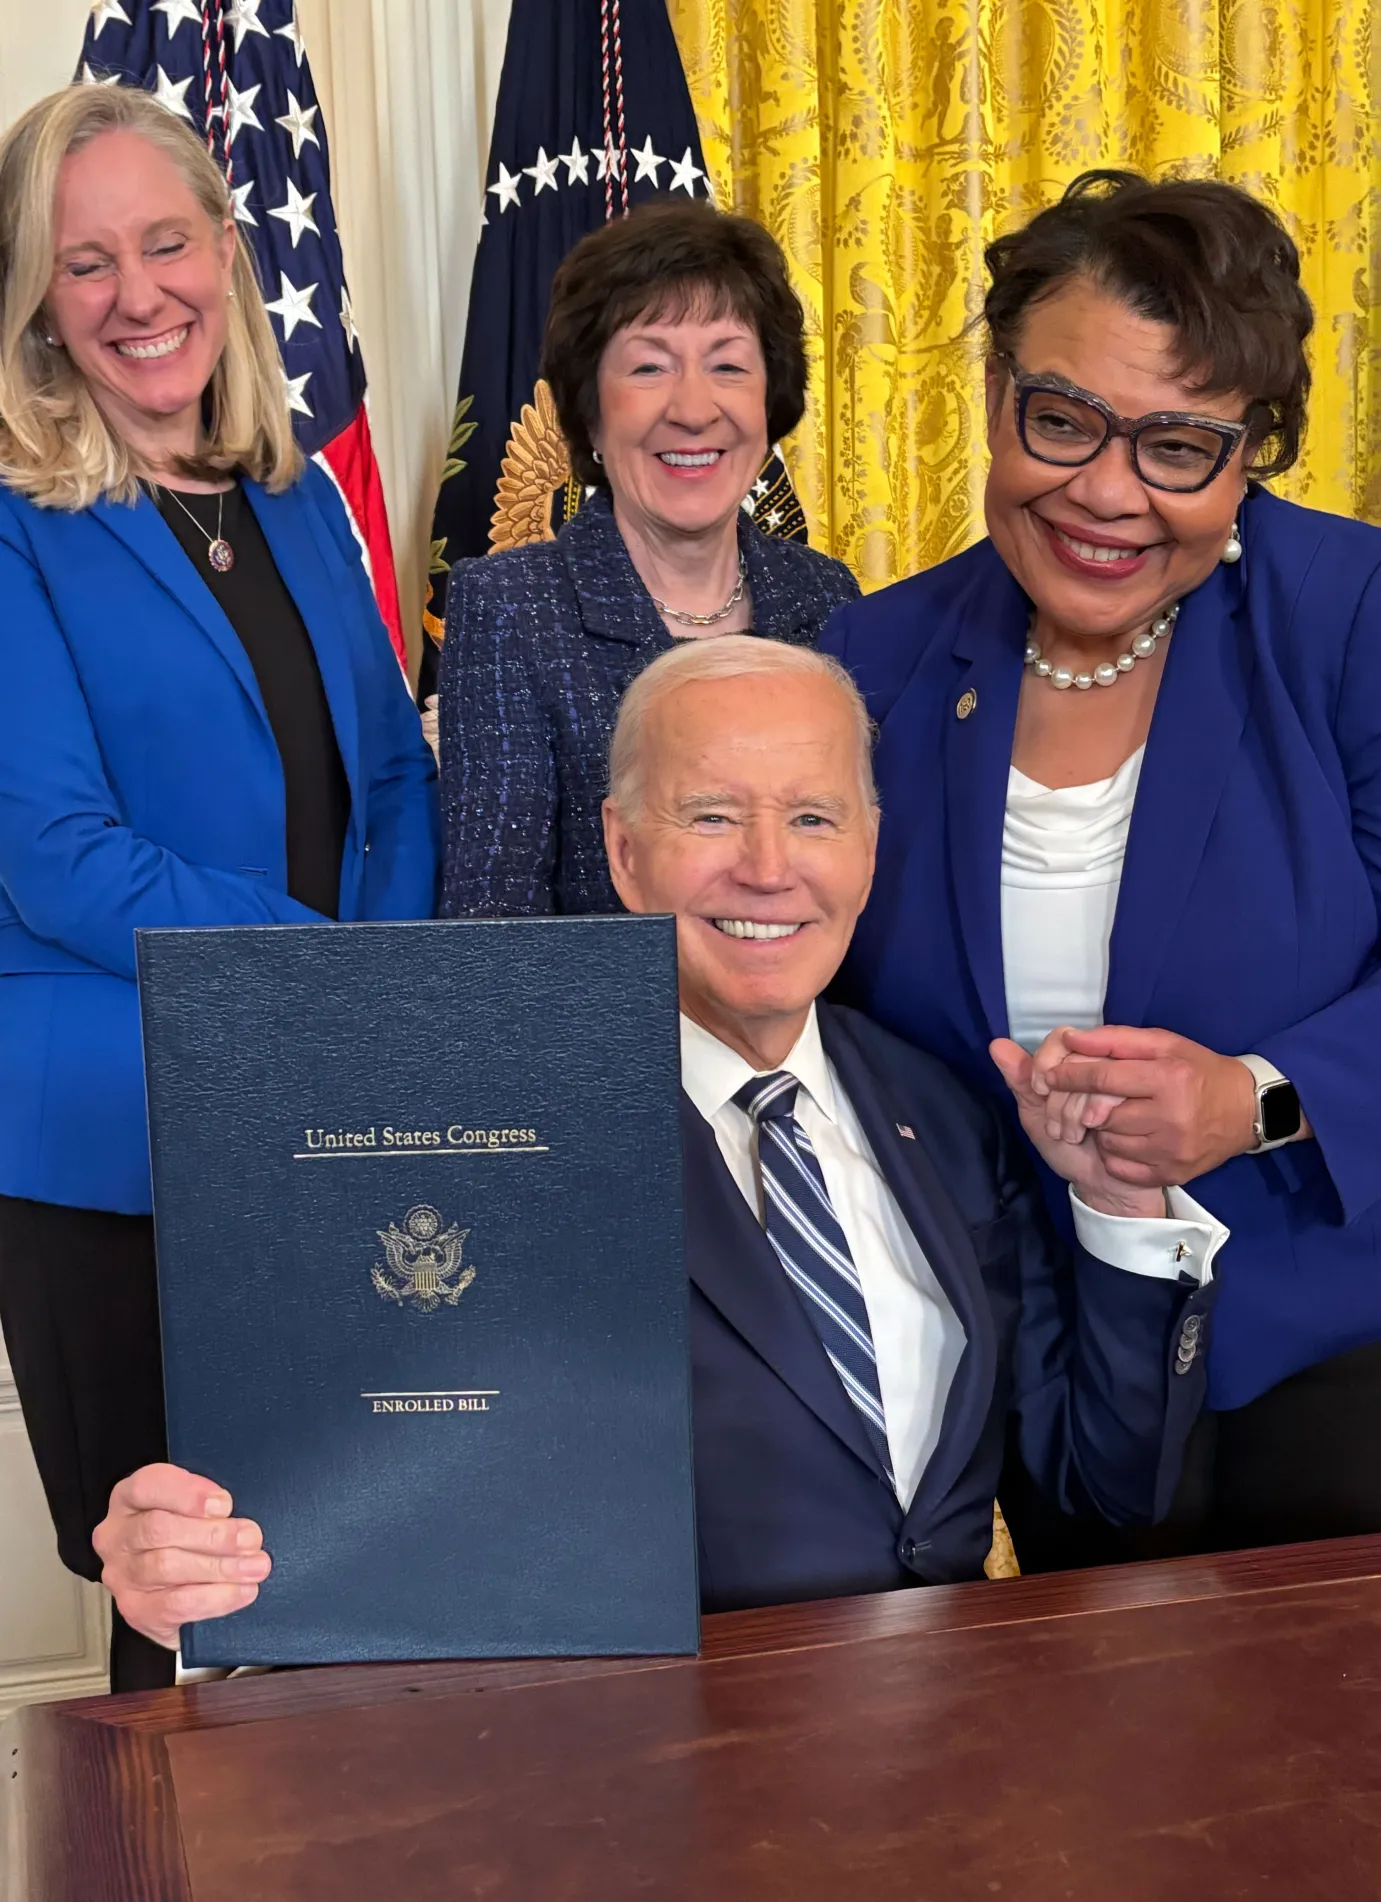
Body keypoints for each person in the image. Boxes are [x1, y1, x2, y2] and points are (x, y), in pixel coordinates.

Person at [97, 638, 1226, 1655]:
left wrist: (1122, 1208)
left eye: (814, 816)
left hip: (936, 1767)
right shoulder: (476, 1125)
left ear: (871, 848)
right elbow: (356, 1485)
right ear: (624, 849)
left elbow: (1100, 1501)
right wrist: (189, 1555)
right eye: (712, 815)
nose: (769, 865)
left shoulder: (942, 1107)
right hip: (634, 1787)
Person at [821, 169, 1381, 1568]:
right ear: (1002, 394)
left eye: (1178, 447)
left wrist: (1252, 1098)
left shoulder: (1353, 612)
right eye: (1064, 417)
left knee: (1359, 1759)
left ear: (1250, 452)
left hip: (1359, 1311)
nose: (1105, 491)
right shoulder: (875, 660)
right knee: (1098, 1756)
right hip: (1050, 1338)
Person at [0, 86, 438, 1690]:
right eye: (87, 262)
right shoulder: (10, 528)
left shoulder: (295, 495)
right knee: (179, 1608)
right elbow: (53, 855)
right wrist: (319, 979)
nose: (138, 295)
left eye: (167, 243)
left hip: (330, 1106)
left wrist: (373, 994)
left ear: (229, 255)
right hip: (114, 1146)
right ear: (38, 303)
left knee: (347, 1558)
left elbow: (393, 775)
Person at [439, 200, 858, 918]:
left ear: (769, 402)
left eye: (728, 364)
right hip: (603, 1028)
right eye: (649, 367)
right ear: (591, 412)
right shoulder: (511, 606)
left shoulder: (826, 596)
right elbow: (496, 936)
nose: (694, 409)